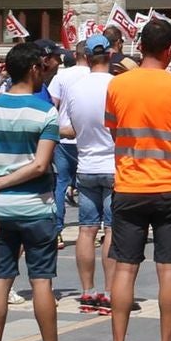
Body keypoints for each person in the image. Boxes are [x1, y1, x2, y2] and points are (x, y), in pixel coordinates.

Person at [0, 42, 84, 341]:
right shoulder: (44, 112)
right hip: (36, 207)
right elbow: (40, 165)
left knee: (0, 278)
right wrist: (0, 186)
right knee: (42, 280)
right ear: (34, 69)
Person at [102, 19, 171, 341]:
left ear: (140, 46)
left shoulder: (118, 85)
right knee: (169, 270)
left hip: (129, 187)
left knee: (125, 268)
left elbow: (113, 128)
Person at [61, 38, 115, 315]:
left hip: (86, 165)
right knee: (111, 231)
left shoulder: (74, 87)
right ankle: (107, 293)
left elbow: (66, 128)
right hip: (114, 165)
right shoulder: (117, 85)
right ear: (110, 53)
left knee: (86, 229)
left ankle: (87, 292)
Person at [48, 35, 93, 248]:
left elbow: (52, 105)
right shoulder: (98, 75)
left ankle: (57, 231)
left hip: (64, 136)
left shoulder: (62, 75)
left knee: (61, 184)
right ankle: (93, 228)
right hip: (88, 137)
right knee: (87, 187)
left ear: (76, 55)